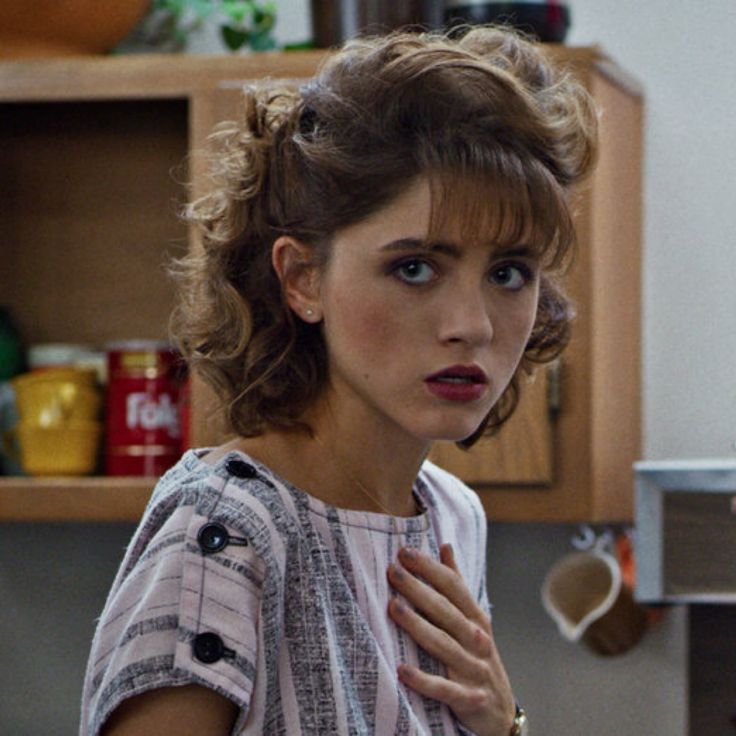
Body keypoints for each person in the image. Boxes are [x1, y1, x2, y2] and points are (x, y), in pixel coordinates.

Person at [80, 24, 597, 736]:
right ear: (301, 278)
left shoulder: (451, 518)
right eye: (414, 267)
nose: (472, 323)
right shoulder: (225, 533)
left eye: (508, 273)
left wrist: (504, 725)